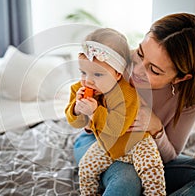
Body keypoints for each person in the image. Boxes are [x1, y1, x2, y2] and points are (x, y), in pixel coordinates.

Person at [73, 13, 195, 195]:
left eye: (153, 70)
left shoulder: (188, 101)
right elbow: (83, 102)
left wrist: (156, 128)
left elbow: (169, 158)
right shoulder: (116, 62)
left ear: (181, 78)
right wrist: (88, 109)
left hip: (145, 153)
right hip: (100, 141)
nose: (136, 69)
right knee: (128, 179)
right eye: (140, 53)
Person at [66, 28, 166, 195]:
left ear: (118, 74)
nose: (88, 80)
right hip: (107, 145)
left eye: (98, 74)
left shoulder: (126, 93)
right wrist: (77, 108)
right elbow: (75, 123)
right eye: (83, 72)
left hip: (136, 143)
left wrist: (94, 112)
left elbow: (116, 128)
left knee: (152, 169)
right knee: (86, 168)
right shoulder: (79, 89)